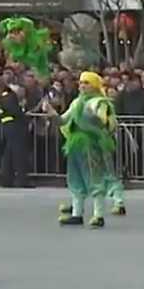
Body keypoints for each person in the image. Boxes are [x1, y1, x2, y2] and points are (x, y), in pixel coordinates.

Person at [59, 72, 117, 228]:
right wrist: (51, 113)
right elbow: (63, 119)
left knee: (94, 178)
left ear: (94, 85)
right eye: (81, 83)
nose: (82, 86)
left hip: (92, 145)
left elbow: (105, 119)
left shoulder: (99, 102)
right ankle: (76, 214)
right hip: (75, 145)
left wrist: (101, 118)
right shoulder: (76, 102)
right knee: (75, 179)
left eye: (86, 83)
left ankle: (98, 215)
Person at [0, 77, 32, 188]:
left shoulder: (4, 97)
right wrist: (25, 118)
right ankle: (21, 180)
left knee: (9, 154)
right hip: (14, 127)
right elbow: (15, 112)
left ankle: (6, 179)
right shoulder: (9, 97)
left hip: (8, 127)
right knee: (18, 153)